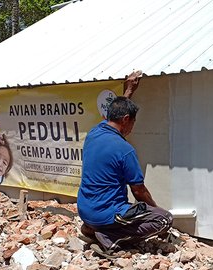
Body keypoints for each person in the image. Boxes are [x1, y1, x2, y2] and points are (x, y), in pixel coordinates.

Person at [77, 71, 173, 257]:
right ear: (126, 120)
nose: (132, 128)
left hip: (85, 210)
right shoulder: (124, 149)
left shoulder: (94, 133)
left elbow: (114, 112)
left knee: (126, 208)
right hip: (106, 214)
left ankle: (91, 229)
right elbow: (139, 192)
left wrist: (129, 90)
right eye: (133, 123)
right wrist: (156, 209)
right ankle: (110, 238)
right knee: (164, 219)